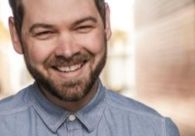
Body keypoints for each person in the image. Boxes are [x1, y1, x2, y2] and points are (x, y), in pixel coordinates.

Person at [0, 0, 180, 135]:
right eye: (45, 33)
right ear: (16, 35)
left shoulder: (158, 131)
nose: (67, 51)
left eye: (82, 27)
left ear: (106, 23)